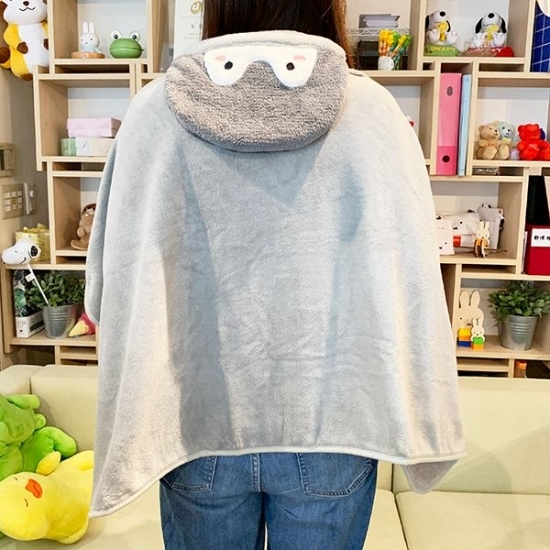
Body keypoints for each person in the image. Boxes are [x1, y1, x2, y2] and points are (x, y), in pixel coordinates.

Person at [85, 1, 465, 548]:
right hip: (334, 423)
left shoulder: (151, 115)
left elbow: (103, 290)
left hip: (194, 423)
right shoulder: (374, 114)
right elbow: (414, 280)